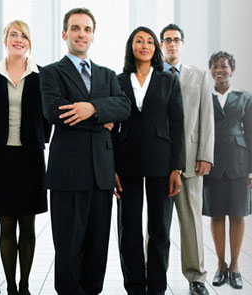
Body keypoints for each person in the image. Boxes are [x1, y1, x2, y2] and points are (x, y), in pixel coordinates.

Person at [40, 7, 131, 295]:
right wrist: (102, 119)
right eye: (76, 28)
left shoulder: (106, 74)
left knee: (97, 246)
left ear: (93, 35)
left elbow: (124, 106)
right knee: (68, 245)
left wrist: (91, 108)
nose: (82, 34)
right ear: (65, 34)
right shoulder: (51, 73)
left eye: (87, 29)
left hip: (101, 173)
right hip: (68, 172)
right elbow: (56, 112)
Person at [0, 20, 49, 295]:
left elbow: (47, 118)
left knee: (28, 223)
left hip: (30, 157)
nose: (18, 39)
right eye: (13, 34)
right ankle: (9, 288)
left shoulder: (40, 75)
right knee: (6, 224)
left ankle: (25, 286)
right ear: (5, 39)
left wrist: (39, 137)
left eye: (24, 36)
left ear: (29, 42)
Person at [112, 26, 185, 295]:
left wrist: (177, 167)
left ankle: (156, 288)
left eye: (150, 41)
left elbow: (177, 124)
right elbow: (111, 126)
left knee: (160, 229)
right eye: (139, 41)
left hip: (161, 162)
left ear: (156, 48)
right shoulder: (117, 80)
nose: (145, 45)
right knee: (128, 228)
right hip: (126, 160)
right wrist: (112, 168)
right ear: (131, 46)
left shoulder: (167, 81)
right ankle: (134, 286)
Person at [160, 23, 214, 295]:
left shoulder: (199, 76)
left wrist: (206, 154)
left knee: (191, 221)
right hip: (159, 160)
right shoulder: (154, 75)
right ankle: (154, 272)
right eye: (167, 40)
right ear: (161, 45)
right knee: (157, 222)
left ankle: (196, 278)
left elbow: (207, 116)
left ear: (182, 44)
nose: (172, 44)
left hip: (192, 161)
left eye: (176, 40)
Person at [203, 51, 252, 290]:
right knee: (217, 214)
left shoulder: (245, 97)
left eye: (224, 66)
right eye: (215, 66)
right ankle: (220, 265)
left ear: (232, 70)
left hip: (239, 164)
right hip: (212, 163)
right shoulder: (205, 97)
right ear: (211, 71)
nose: (219, 70)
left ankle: (235, 266)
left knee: (237, 214)